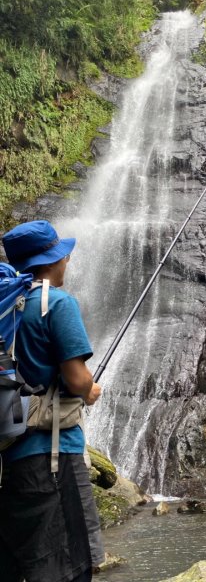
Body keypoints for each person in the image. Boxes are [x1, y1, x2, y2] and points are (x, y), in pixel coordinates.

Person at [0, 220, 103, 582]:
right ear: (53, 260)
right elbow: (77, 380)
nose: (68, 261)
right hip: (53, 454)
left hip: (7, 457)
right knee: (71, 564)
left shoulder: (6, 308)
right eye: (63, 255)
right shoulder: (56, 303)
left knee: (20, 563)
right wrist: (90, 390)